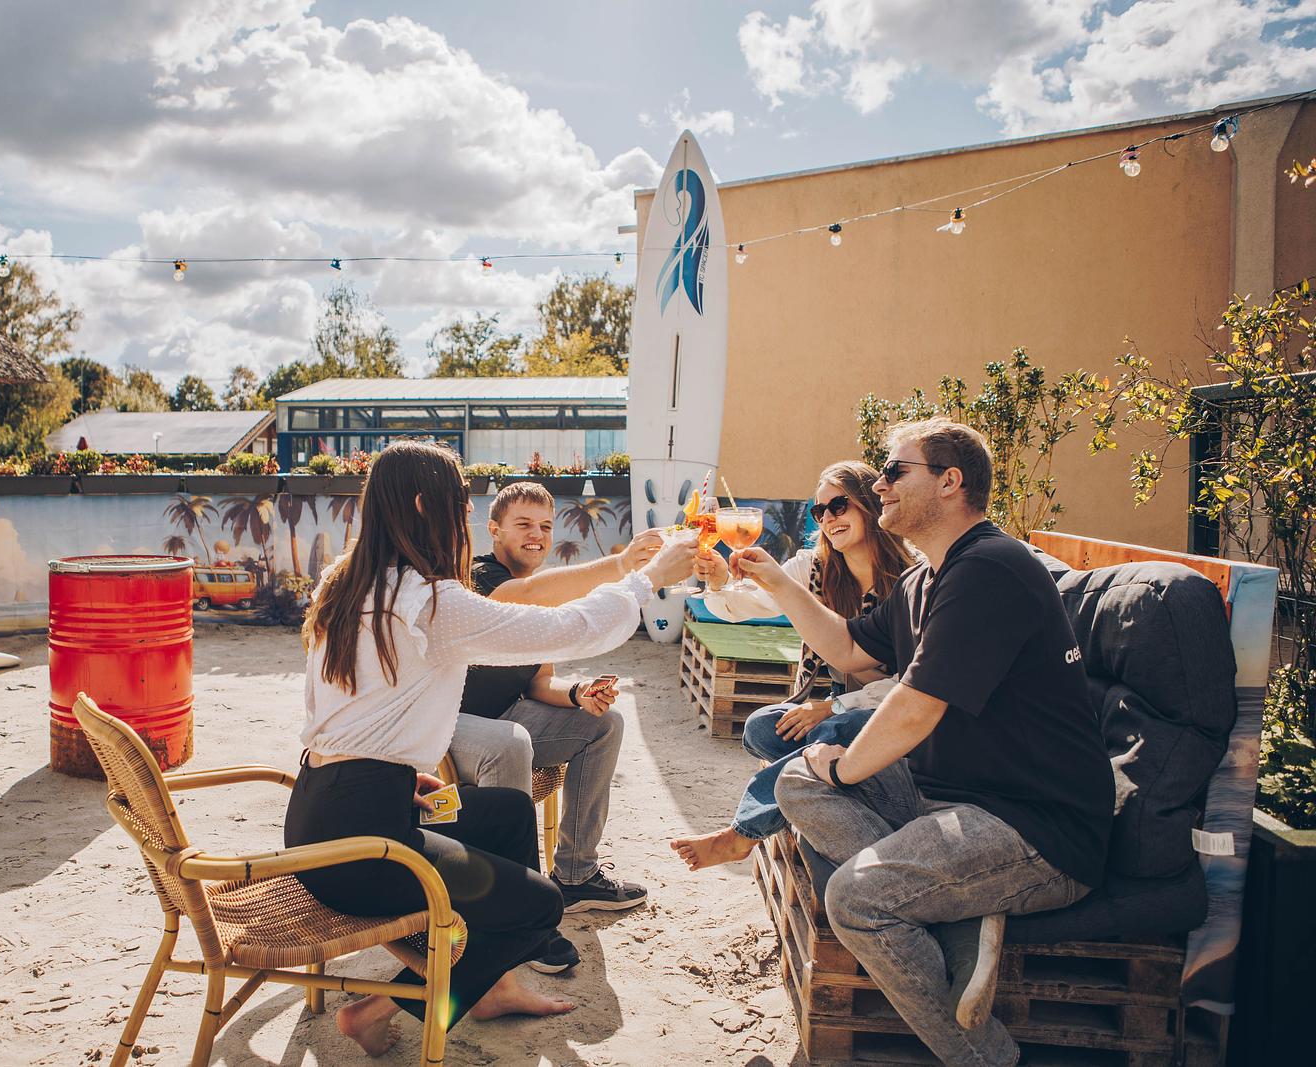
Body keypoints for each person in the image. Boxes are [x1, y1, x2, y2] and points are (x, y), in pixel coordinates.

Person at [287, 441, 696, 1058]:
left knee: (507, 812)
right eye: (461, 503)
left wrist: (393, 771)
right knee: (540, 907)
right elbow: (567, 627)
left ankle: (492, 985)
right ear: (424, 506)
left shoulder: (348, 584)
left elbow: (344, 707)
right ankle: (379, 1009)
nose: (467, 517)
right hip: (364, 849)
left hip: (321, 814)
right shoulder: (428, 602)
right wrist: (646, 580)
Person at [727, 419, 1113, 1066]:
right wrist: (776, 582)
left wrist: (845, 770)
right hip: (953, 796)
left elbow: (916, 705)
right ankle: (962, 915)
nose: (878, 484)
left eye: (893, 471)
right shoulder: (923, 580)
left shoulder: (990, 567)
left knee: (855, 898)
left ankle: (989, 1058)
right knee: (796, 780)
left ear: (950, 481)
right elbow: (848, 647)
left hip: (1035, 825)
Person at [448, 482, 664, 973]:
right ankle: (516, 907)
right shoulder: (481, 578)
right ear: (494, 529)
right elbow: (523, 595)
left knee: (604, 724)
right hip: (453, 726)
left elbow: (539, 682)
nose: (537, 535)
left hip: (509, 716)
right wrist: (624, 565)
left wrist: (578, 694)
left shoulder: (541, 596)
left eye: (545, 526)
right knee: (511, 742)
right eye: (523, 524)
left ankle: (574, 876)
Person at [669, 461, 915, 871]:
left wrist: (831, 709)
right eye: (820, 511)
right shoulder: (812, 568)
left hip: (894, 715)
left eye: (839, 505)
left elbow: (913, 684)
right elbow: (746, 604)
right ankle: (832, 763)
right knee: (761, 727)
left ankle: (741, 835)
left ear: (870, 503)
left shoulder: (910, 578)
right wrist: (719, 580)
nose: (829, 518)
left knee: (838, 727)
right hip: (840, 704)